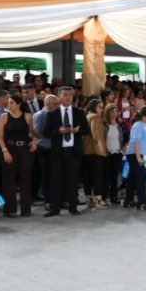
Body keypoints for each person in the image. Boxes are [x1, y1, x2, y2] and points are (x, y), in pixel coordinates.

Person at [43, 87, 90, 217]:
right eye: (65, 94)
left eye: (71, 95)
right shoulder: (52, 114)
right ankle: (54, 208)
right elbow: (46, 132)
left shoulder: (79, 112)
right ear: (59, 97)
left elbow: (86, 130)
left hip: (73, 152)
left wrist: (77, 131)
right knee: (56, 181)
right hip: (58, 152)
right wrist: (58, 131)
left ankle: (73, 208)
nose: (68, 97)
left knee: (73, 180)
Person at [0, 94, 37, 218]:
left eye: (11, 103)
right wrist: (4, 150)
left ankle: (26, 210)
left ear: (19, 104)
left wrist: (34, 141)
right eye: (8, 103)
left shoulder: (28, 116)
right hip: (9, 149)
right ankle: (10, 209)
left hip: (25, 149)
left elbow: (32, 132)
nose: (8, 105)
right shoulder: (4, 116)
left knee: (25, 179)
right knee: (9, 179)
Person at [124, 107, 146, 211]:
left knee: (133, 178)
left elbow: (145, 139)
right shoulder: (138, 125)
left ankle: (128, 200)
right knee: (140, 178)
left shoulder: (143, 125)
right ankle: (142, 203)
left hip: (138, 154)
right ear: (144, 116)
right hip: (135, 154)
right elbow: (135, 141)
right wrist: (138, 157)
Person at [81, 98, 109, 209]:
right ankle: (98, 199)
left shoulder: (86, 115)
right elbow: (96, 133)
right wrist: (102, 149)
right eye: (100, 107)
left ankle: (88, 198)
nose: (102, 110)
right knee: (98, 175)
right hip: (95, 150)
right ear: (94, 107)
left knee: (87, 176)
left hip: (85, 150)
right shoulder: (95, 117)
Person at [103, 104, 125, 205]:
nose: (114, 113)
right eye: (112, 111)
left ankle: (114, 196)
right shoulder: (104, 124)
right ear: (108, 112)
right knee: (105, 176)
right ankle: (103, 197)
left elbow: (124, 138)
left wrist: (123, 148)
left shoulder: (121, 124)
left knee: (115, 176)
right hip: (107, 153)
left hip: (117, 152)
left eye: (116, 111)